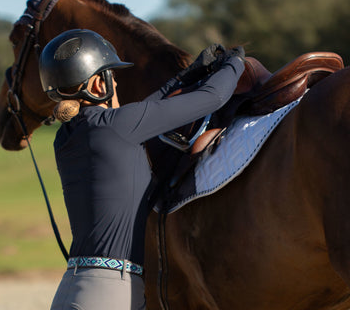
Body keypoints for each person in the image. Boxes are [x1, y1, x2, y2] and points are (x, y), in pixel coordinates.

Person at [38, 29, 245, 310]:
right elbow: (214, 96)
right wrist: (236, 61)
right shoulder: (118, 126)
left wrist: (185, 77)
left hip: (71, 289)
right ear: (99, 85)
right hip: (110, 294)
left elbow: (142, 112)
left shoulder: (65, 139)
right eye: (112, 76)